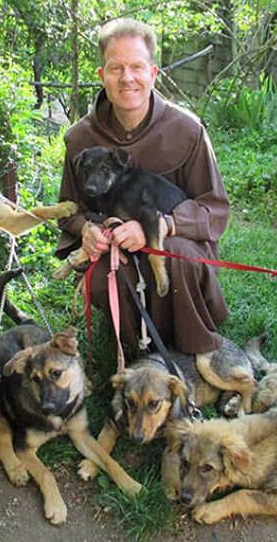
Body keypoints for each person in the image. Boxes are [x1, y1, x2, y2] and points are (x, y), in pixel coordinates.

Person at [55, 18, 230, 357]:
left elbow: (214, 207)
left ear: (153, 73)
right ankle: (134, 354)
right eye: (115, 68)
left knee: (172, 255)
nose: (127, 78)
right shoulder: (81, 139)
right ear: (101, 74)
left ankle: (194, 348)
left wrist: (163, 224)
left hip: (178, 240)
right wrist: (86, 229)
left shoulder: (188, 130)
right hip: (114, 245)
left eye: (136, 67)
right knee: (102, 273)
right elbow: (69, 209)